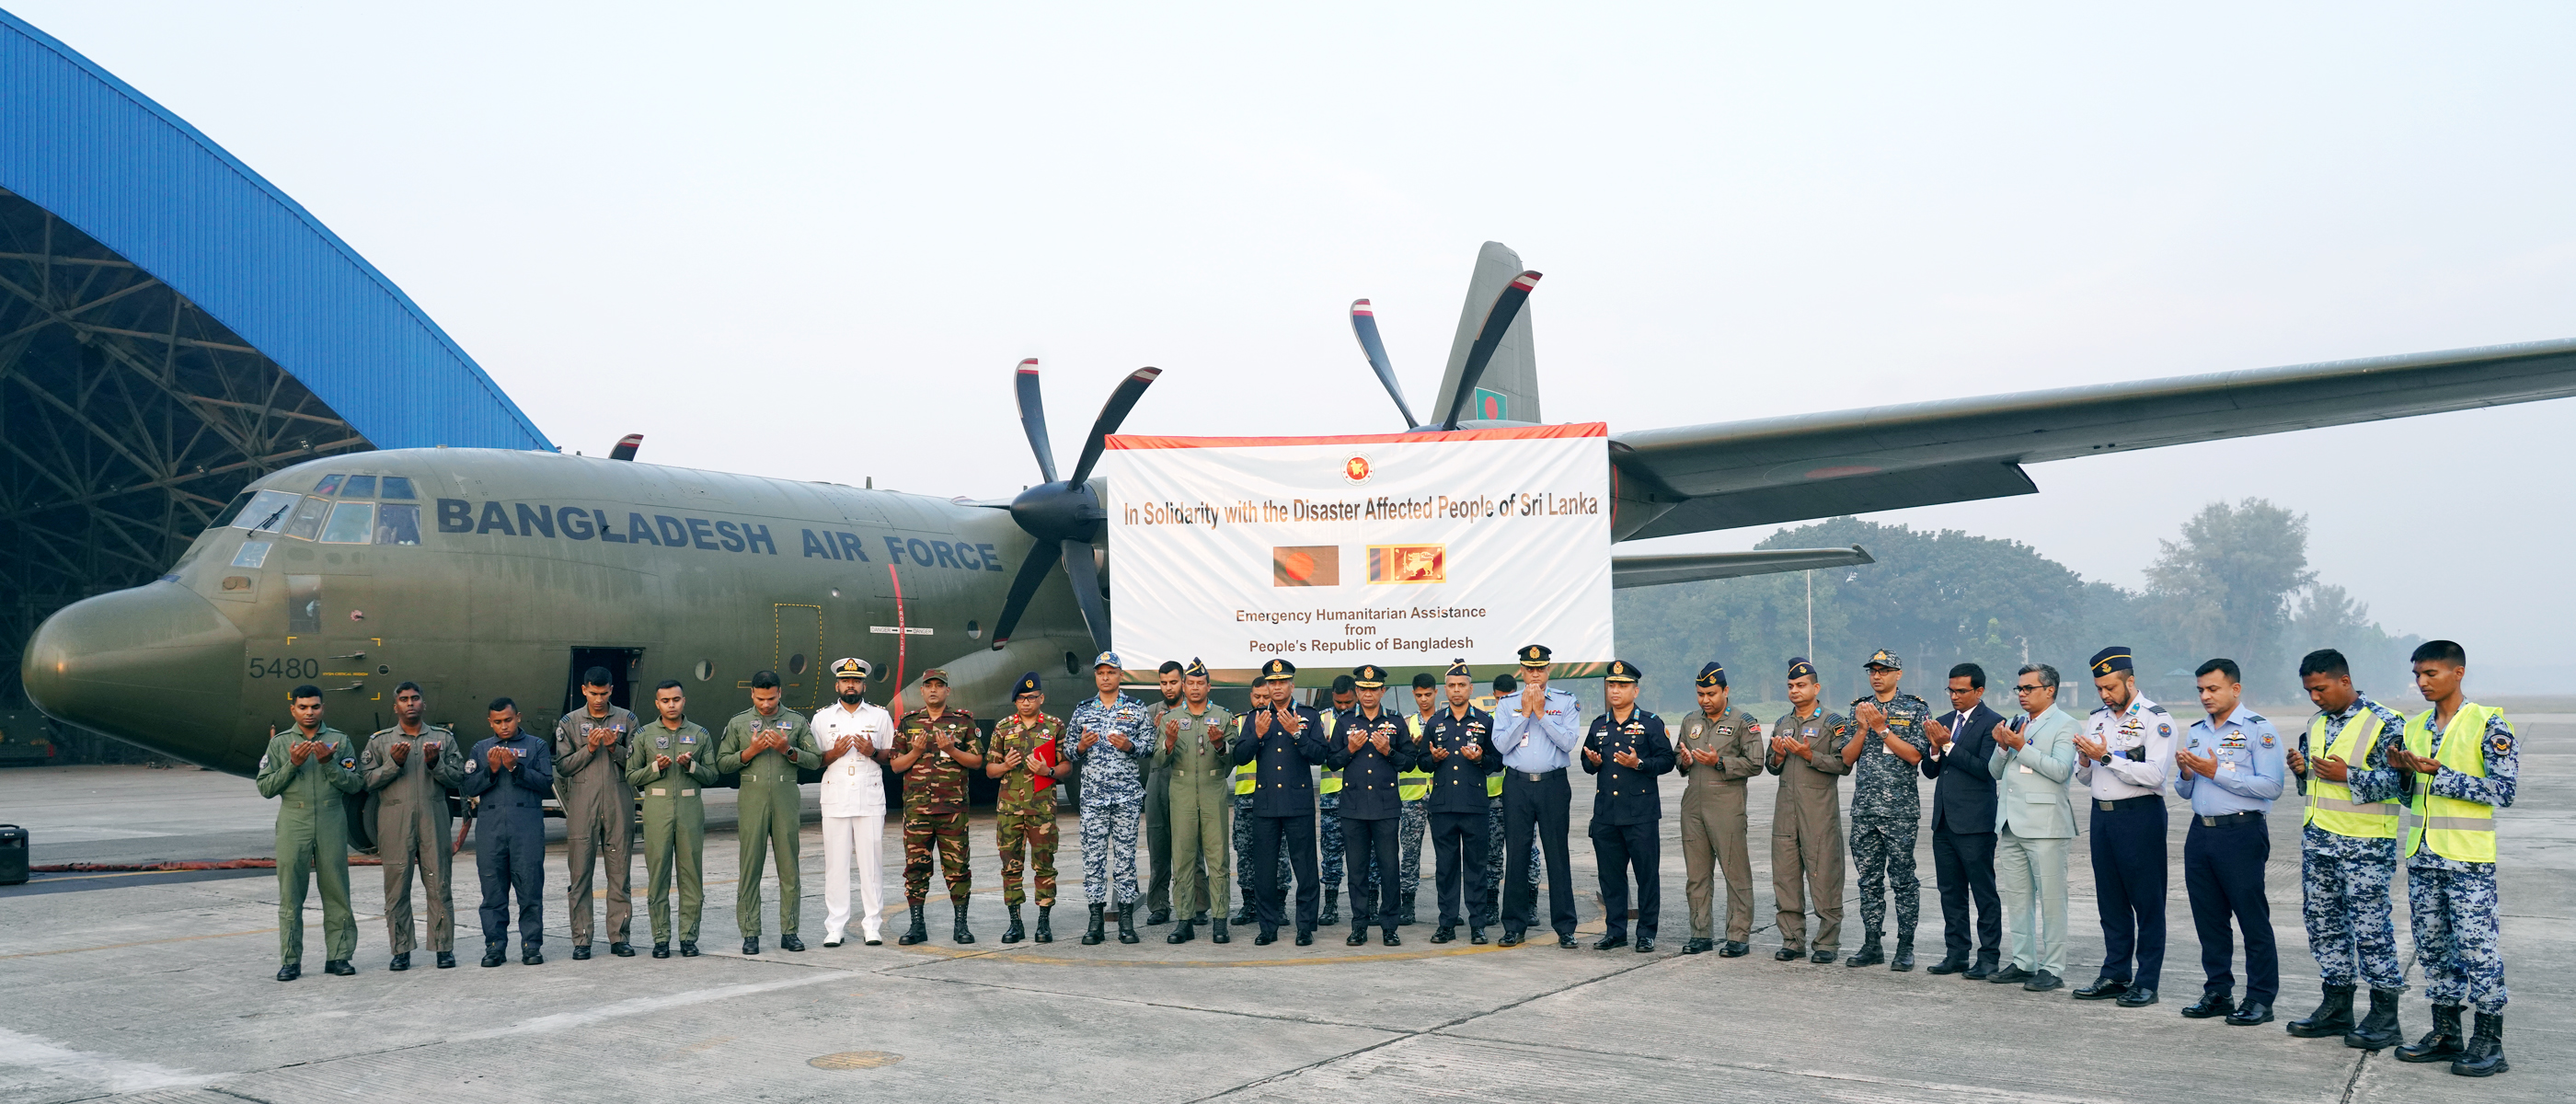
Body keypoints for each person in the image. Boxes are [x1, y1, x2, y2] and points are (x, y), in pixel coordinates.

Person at [2389, 639, 2516, 1076]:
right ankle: (2446, 1032)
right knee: (2433, 950)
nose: (2422, 683)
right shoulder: (2414, 727)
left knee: (2478, 951)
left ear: (2457, 673)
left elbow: (2503, 791)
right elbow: (2409, 797)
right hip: (2424, 857)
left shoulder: (2488, 725)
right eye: (2418, 675)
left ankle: (2489, 1041)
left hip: (2468, 861)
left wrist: (2440, 774)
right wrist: (2405, 775)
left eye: (2431, 674)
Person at [2282, 649, 2410, 1046]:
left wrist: (2348, 775)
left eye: (2320, 688)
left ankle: (2384, 1017)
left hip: (2365, 845)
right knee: (2323, 926)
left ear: (2344, 680)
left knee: (2371, 930)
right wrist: (2303, 771)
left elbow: (2405, 784)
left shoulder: (2386, 723)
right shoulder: (2316, 723)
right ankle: (2336, 1007)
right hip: (2319, 841)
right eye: (2309, 691)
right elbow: (2316, 783)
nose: (2315, 697)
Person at [2175, 658, 2286, 1026]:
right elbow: (2184, 789)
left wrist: (2216, 772)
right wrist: (2187, 773)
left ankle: (2260, 999)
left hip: (2241, 832)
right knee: (2209, 919)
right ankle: (2218, 991)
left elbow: (2272, 787)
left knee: (2251, 918)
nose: (2205, 696)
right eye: (2201, 690)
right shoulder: (2196, 731)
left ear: (2235, 689)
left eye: (2213, 689)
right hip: (2200, 831)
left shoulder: (2259, 730)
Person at [2073, 646, 2177, 1007]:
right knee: (2111, 900)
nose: (2105, 695)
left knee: (2147, 900)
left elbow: (2154, 774)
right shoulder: (2097, 718)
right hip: (2101, 816)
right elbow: (2085, 778)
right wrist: (2085, 760)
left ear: (2130, 681)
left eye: (2111, 688)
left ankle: (2147, 980)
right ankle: (2116, 973)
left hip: (2140, 815)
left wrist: (2106, 756)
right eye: (2099, 688)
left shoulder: (2155, 719)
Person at [256, 684, 364, 980]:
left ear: (322, 708)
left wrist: (329, 763)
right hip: (294, 820)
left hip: (331, 818)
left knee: (336, 890)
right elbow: (265, 787)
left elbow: (355, 784)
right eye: (302, 707)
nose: (309, 712)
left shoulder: (338, 742)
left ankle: (339, 956)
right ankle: (290, 960)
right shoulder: (280, 744)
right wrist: (293, 764)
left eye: (315, 706)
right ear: (293, 709)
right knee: (291, 893)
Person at [362, 681, 465, 972]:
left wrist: (436, 765)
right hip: (395, 821)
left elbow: (458, 778)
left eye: (415, 698)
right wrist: (393, 763)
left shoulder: (442, 739)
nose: (410, 703)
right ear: (395, 706)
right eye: (404, 699)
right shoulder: (381, 742)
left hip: (434, 819)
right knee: (397, 887)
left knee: (440, 883)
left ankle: (443, 948)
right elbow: (366, 781)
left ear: (424, 704)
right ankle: (401, 949)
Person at [1987, 663, 2078, 992]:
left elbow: (2059, 770)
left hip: (2046, 826)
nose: (2022, 694)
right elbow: (1995, 772)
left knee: (2052, 900)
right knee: (2018, 898)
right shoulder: (2017, 723)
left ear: (2050, 690)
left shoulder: (2066, 725)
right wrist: (2002, 746)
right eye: (2019, 689)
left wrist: (2020, 746)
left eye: (2028, 688)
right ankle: (2024, 961)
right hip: (2011, 823)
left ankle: (2053, 967)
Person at [718, 670, 822, 955]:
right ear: (752, 694)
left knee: (789, 868)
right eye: (761, 699)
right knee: (750, 867)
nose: (766, 704)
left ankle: (790, 932)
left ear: (780, 694)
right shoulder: (739, 723)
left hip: (786, 798)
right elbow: (722, 764)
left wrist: (787, 749)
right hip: (752, 800)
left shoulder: (797, 722)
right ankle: (750, 933)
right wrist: (750, 751)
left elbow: (815, 760)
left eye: (772, 698)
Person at [1844, 649, 1930, 970]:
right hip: (1865, 809)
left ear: (1898, 674)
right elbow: (1847, 759)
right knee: (1868, 881)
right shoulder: (1858, 709)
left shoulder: (1915, 709)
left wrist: (1882, 727)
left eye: (1883, 670)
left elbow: (1914, 756)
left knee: (1903, 880)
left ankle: (1905, 946)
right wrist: (1864, 728)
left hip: (1900, 811)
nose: (1876, 675)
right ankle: (1871, 943)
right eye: (1872, 670)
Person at [1493, 644, 1584, 949]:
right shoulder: (1507, 703)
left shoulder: (1565, 701)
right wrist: (1524, 714)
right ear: (1521, 670)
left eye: (1540, 668)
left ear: (1549, 670)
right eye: (1529, 668)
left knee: (1557, 855)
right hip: (1517, 785)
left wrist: (1542, 714)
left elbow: (1569, 742)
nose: (1535, 673)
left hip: (1553, 785)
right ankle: (1513, 926)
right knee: (1516, 855)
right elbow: (1501, 745)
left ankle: (1565, 927)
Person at [1234, 658, 1328, 945]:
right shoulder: (1255, 718)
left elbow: (1320, 756)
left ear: (1292, 685)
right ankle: (1268, 927)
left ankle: (1304, 927)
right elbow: (1239, 757)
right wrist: (1257, 736)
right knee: (1265, 870)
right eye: (1271, 682)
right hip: (1265, 804)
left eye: (1281, 682)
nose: (1276, 687)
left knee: (1306, 868)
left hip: (1297, 802)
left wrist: (1296, 734)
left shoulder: (1309, 717)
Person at [1581, 660, 1673, 952]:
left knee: (1646, 875)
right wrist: (1592, 761)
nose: (1616, 690)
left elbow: (1667, 761)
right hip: (1607, 814)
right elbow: (1587, 761)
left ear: (1635, 690)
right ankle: (1615, 931)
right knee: (1611, 878)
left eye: (1622, 685)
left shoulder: (1650, 723)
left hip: (1641, 814)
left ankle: (1646, 932)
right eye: (1612, 685)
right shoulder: (1599, 725)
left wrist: (1640, 763)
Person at [1673, 661, 1763, 956]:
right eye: (1700, 694)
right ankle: (1701, 933)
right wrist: (1684, 761)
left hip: (1727, 804)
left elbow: (1756, 763)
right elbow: (1680, 759)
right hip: (1694, 805)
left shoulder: (1743, 722)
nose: (1705, 700)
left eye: (1711, 693)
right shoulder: (1690, 721)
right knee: (1697, 875)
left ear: (1726, 690)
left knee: (1735, 873)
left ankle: (1738, 935)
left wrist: (1720, 763)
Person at [1767, 658, 1854, 963]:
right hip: (1786, 812)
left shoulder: (1833, 723)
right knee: (1786, 876)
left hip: (1818, 812)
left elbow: (1843, 764)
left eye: (1801, 685)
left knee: (1825, 876)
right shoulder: (1782, 723)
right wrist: (1777, 757)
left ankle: (1827, 943)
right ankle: (1792, 940)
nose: (1795, 690)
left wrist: (1809, 754)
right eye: (1790, 686)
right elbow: (1771, 766)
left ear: (1815, 688)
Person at [1067, 651, 1156, 945]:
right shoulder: (1083, 710)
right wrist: (1080, 747)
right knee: (1093, 860)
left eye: (1110, 672)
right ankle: (1095, 921)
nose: (1105, 677)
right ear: (1096, 676)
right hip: (1093, 798)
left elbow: (1150, 746)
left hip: (1126, 796)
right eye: (1100, 673)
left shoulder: (1136, 709)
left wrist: (1130, 745)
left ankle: (1126, 921)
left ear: (1120, 675)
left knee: (1125, 859)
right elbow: (1066, 751)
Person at [625, 679, 717, 957]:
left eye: (676, 699)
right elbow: (631, 775)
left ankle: (688, 938)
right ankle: (661, 939)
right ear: (657, 704)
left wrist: (692, 765)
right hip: (657, 810)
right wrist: (655, 767)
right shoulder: (644, 735)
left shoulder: (699, 734)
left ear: (683, 700)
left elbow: (712, 774)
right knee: (659, 876)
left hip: (690, 809)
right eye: (665, 701)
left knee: (691, 877)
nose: (671, 705)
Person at [1921, 663, 2003, 977]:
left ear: (1979, 691)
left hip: (1976, 823)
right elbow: (1929, 771)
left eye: (1961, 691)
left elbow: (1985, 769)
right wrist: (1934, 749)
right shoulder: (1942, 723)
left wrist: (1947, 745)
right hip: (1944, 821)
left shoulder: (1993, 723)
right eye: (1950, 690)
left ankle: (1989, 957)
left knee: (1983, 892)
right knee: (1950, 892)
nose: (1954, 696)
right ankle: (1956, 953)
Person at [1328, 663, 1417, 946]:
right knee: (1357, 870)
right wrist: (1350, 749)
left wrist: (1388, 751)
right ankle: (1359, 926)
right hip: (1353, 808)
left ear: (1383, 691)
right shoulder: (1344, 723)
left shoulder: (1395, 721)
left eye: (1373, 689)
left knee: (1390, 868)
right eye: (1363, 689)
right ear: (1357, 691)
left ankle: (1390, 926)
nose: (1368, 694)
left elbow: (1410, 762)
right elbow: (1331, 761)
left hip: (1385, 807)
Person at [891, 667, 983, 945]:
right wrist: (917, 751)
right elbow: (896, 765)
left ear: (947, 691)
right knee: (916, 868)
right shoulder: (909, 723)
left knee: (957, 868)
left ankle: (961, 926)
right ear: (921, 691)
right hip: (918, 810)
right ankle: (917, 926)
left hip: (952, 810)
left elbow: (977, 762)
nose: (933, 689)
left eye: (939, 685)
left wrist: (953, 750)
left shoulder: (963, 721)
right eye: (928, 685)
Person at [553, 667, 638, 960]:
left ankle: (619, 937)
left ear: (611, 690)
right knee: (580, 875)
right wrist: (589, 748)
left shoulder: (627, 719)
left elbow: (636, 763)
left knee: (620, 873)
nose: (599, 699)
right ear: (584, 690)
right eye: (594, 693)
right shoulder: (570, 722)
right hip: (582, 805)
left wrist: (614, 747)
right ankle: (582, 939)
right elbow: (562, 766)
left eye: (604, 693)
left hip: (618, 803)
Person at [461, 696, 553, 967]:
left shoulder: (536, 746)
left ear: (518, 717)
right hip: (491, 830)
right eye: (498, 722)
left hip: (526, 828)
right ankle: (494, 947)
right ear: (490, 722)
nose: (504, 726)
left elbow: (546, 784)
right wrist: (491, 769)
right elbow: (469, 787)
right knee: (492, 892)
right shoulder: (481, 749)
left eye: (508, 720)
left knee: (530, 889)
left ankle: (531, 946)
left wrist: (515, 768)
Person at [813, 658, 896, 948]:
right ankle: (835, 927)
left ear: (863, 685)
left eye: (856, 681)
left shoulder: (880, 716)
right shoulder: (822, 718)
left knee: (871, 865)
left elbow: (890, 756)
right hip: (836, 797)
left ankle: (872, 925)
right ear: (837, 684)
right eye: (846, 681)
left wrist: (873, 751)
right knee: (835, 866)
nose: (851, 685)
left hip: (869, 797)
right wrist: (833, 753)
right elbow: (814, 760)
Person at [1422, 660, 1501, 945]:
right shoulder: (1435, 722)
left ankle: (1477, 925)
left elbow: (1497, 762)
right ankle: (1446, 924)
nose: (1457, 690)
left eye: (1462, 686)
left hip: (1474, 805)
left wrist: (1480, 758)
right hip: (1443, 806)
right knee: (1446, 868)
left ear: (1471, 688)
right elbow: (1422, 761)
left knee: (1476, 866)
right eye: (1452, 686)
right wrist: (1433, 759)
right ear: (1445, 689)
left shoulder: (1485, 721)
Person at [988, 672, 1070, 944]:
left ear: (1041, 698)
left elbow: (1066, 767)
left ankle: (1043, 923)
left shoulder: (1055, 726)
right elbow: (990, 769)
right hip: (1009, 810)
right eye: (1021, 698)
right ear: (1015, 701)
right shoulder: (1003, 728)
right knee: (1011, 867)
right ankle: (1015, 923)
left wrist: (1049, 770)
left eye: (1032, 697)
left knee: (1044, 865)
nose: (1026, 703)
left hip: (1042, 810)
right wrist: (1005, 766)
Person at [1159, 660, 1236, 944]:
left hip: (1213, 788)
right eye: (1189, 683)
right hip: (1181, 792)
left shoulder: (1223, 717)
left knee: (1218, 859)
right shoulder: (1170, 719)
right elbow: (1156, 760)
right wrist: (1168, 742)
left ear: (1208, 686)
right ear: (1183, 686)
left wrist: (1219, 744)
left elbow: (1234, 759)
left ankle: (1219, 920)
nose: (1194, 688)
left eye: (1199, 683)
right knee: (1183, 859)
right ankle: (1185, 920)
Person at [1484, 672, 1540, 931]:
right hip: (1494, 798)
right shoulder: (1487, 722)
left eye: (1507, 698)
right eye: (1499, 699)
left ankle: (1531, 905)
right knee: (1493, 854)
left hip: (1523, 795)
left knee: (1529, 851)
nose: (1503, 702)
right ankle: (1492, 904)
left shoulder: (1526, 716)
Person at [1388, 672, 1437, 926]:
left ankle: (1446, 907)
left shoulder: (1444, 721)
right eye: (1419, 695)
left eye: (1428, 694)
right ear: (1413, 694)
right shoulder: (1405, 724)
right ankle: (1408, 905)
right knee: (1409, 853)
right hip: (1411, 797)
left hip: (1440, 795)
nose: (1423, 699)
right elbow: (1395, 759)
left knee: (1446, 854)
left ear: (1436, 693)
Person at [1142, 660, 1186, 927]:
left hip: (1184, 781)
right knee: (1158, 849)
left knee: (1191, 850)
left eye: (1173, 682)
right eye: (1163, 683)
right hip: (1157, 783)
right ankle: (1159, 905)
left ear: (1182, 681)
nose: (1168, 688)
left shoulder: (1193, 711)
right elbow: (1143, 750)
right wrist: (1153, 730)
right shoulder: (1150, 712)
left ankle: (1196, 904)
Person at [1316, 674, 1357, 926]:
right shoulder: (1322, 720)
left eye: (1348, 702)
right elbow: (1313, 752)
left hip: (1362, 796)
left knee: (1367, 856)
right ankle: (1330, 906)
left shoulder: (1367, 717)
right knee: (1330, 856)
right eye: (1339, 702)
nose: (1343, 707)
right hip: (1332, 798)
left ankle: (1371, 905)